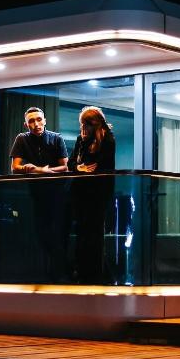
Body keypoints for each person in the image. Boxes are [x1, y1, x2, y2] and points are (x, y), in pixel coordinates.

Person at [10, 107, 69, 282]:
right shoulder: (22, 138)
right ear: (26, 124)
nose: (36, 124)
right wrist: (37, 170)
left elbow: (65, 167)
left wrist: (44, 171)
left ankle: (61, 274)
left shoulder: (56, 138)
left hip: (57, 194)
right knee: (39, 234)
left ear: (45, 120)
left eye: (38, 119)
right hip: (32, 195)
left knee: (56, 234)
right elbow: (15, 167)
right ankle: (44, 274)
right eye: (31, 121)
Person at [67, 106, 116, 283]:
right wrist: (79, 168)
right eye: (81, 125)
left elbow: (99, 166)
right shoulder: (81, 139)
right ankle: (82, 272)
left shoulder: (107, 139)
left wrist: (82, 167)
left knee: (94, 234)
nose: (82, 128)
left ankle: (95, 274)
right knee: (82, 233)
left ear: (93, 124)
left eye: (85, 125)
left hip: (98, 194)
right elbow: (71, 163)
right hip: (80, 193)